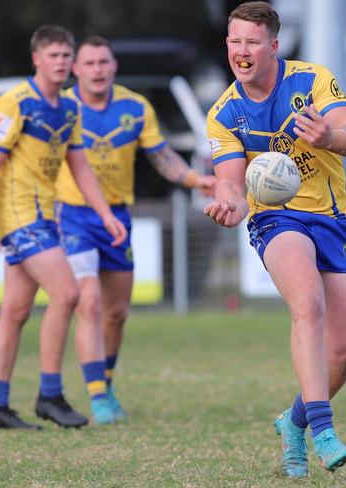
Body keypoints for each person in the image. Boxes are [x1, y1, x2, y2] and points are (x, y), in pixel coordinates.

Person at [204, 1, 346, 477]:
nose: (242, 50)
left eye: (252, 41)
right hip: (275, 219)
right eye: (235, 41)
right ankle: (323, 430)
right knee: (309, 306)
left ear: (273, 46)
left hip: (333, 217)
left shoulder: (312, 80)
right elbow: (231, 184)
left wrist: (329, 138)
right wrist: (230, 204)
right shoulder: (224, 112)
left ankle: (293, 422)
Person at [55, 35, 216, 424]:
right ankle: (96, 396)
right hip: (73, 216)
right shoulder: (62, 108)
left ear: (114, 67)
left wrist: (195, 180)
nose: (97, 70)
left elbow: (160, 156)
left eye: (103, 63)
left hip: (118, 218)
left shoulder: (134, 106)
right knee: (88, 301)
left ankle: (105, 384)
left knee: (116, 314)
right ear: (75, 70)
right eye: (89, 63)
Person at [0, 25, 127, 430]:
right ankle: (50, 395)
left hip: (45, 215)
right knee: (68, 293)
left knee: (15, 311)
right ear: (37, 60)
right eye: (54, 55)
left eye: (66, 55)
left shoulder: (69, 109)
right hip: (19, 216)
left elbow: (79, 166)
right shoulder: (15, 102)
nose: (61, 62)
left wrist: (106, 214)